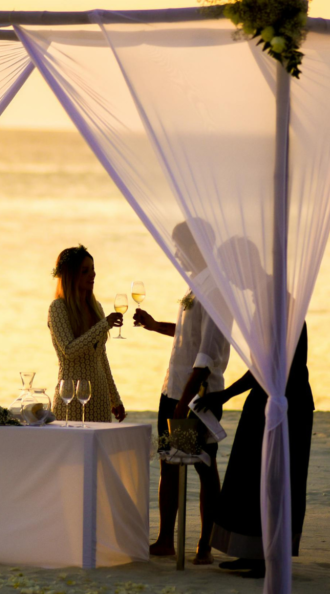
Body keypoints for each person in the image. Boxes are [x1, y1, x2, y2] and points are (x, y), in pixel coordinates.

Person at [194, 235, 314, 579]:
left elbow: (272, 360)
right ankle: (252, 552)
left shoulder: (276, 298)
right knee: (249, 476)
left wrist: (224, 394)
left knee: (271, 476)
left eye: (230, 271)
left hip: (284, 399)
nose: (229, 280)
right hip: (266, 395)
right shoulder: (265, 296)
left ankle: (267, 557)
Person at [134, 221, 230, 564]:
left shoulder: (215, 289)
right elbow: (186, 336)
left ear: (197, 247)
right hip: (174, 390)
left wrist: (184, 402)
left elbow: (205, 353)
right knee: (170, 464)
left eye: (180, 246)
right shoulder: (196, 284)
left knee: (202, 466)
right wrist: (153, 324)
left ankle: (205, 544)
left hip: (194, 396)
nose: (176, 253)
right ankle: (165, 540)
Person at [48, 245, 126, 423]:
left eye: (93, 269)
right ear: (71, 276)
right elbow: (69, 349)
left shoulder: (95, 307)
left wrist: (115, 399)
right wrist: (104, 325)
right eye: (85, 271)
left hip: (99, 397)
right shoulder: (58, 308)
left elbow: (102, 358)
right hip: (71, 396)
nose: (93, 275)